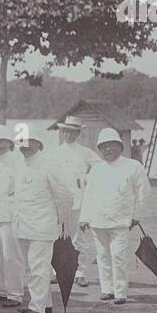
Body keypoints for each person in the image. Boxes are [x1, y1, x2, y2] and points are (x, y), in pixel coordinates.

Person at [80, 127, 152, 305]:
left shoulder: (133, 166)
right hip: (98, 220)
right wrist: (84, 217)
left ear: (120, 147)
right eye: (103, 147)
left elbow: (144, 193)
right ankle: (107, 289)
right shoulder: (96, 170)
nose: (108, 149)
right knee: (102, 256)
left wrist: (137, 215)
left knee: (118, 256)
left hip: (120, 221)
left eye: (112, 145)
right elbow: (88, 195)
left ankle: (120, 292)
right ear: (99, 150)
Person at [12, 133, 74, 313]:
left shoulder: (49, 165)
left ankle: (36, 308)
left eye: (30, 143)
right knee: (33, 267)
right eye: (22, 143)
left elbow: (65, 196)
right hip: (22, 224)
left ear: (39, 145)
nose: (25, 147)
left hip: (42, 225)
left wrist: (57, 219)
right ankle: (44, 304)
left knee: (39, 266)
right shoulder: (19, 165)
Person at [45, 115, 100, 288]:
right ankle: (57, 270)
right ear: (62, 132)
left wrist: (86, 179)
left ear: (78, 133)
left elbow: (100, 168)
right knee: (57, 236)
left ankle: (80, 272)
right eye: (66, 131)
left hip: (78, 200)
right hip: (58, 202)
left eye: (73, 132)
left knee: (78, 238)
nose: (69, 135)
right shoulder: (53, 153)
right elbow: (46, 174)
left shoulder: (85, 152)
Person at [0, 125, 26, 307]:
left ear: (10, 143)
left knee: (11, 255)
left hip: (9, 215)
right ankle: (0, 289)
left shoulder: (18, 162)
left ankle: (15, 293)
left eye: (2, 141)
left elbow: (21, 189)